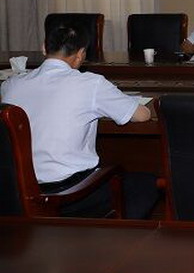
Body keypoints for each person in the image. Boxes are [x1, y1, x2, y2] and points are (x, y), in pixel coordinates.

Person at [1, 21, 157, 218]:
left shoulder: (11, 85)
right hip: (70, 193)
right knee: (145, 184)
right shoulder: (91, 84)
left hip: (19, 192)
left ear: (44, 48)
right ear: (81, 54)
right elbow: (142, 115)